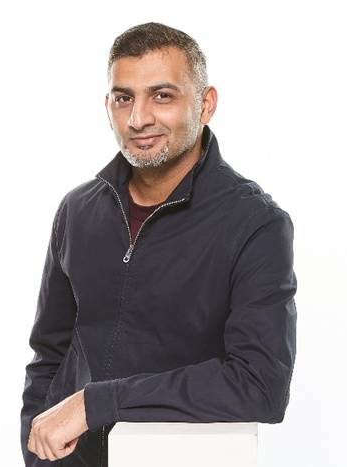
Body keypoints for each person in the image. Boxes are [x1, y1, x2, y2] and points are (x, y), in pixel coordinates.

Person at [21, 22, 297, 466]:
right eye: (123, 97)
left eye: (162, 95)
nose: (138, 119)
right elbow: (48, 356)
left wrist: (97, 402)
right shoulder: (77, 211)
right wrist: (36, 455)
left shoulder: (255, 224)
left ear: (205, 104)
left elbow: (260, 386)